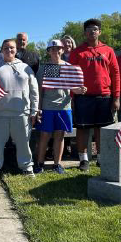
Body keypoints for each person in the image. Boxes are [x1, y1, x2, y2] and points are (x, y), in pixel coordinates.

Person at [0, 39, 39, 184]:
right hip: (0, 115)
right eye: (6, 48)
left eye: (12, 48)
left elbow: (34, 91)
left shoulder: (25, 67)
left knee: (23, 143)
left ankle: (27, 167)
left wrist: (34, 111)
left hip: (22, 113)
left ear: (16, 50)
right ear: (1, 50)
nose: (9, 50)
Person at [69, 19, 120, 171]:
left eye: (95, 29)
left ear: (99, 32)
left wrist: (116, 97)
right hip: (83, 97)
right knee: (83, 129)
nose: (92, 32)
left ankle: (101, 157)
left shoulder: (108, 50)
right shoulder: (77, 52)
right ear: (85, 33)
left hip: (104, 96)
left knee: (102, 129)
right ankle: (83, 159)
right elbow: (71, 75)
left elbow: (116, 73)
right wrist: (72, 95)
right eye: (89, 29)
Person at [36, 40, 87, 174]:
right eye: (52, 49)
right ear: (48, 51)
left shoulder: (69, 67)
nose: (56, 51)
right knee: (45, 136)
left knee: (60, 136)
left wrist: (80, 90)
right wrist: (38, 108)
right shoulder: (44, 68)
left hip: (64, 107)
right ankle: (40, 163)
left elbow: (72, 88)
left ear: (63, 50)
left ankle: (57, 164)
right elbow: (39, 91)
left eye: (58, 48)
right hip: (47, 107)